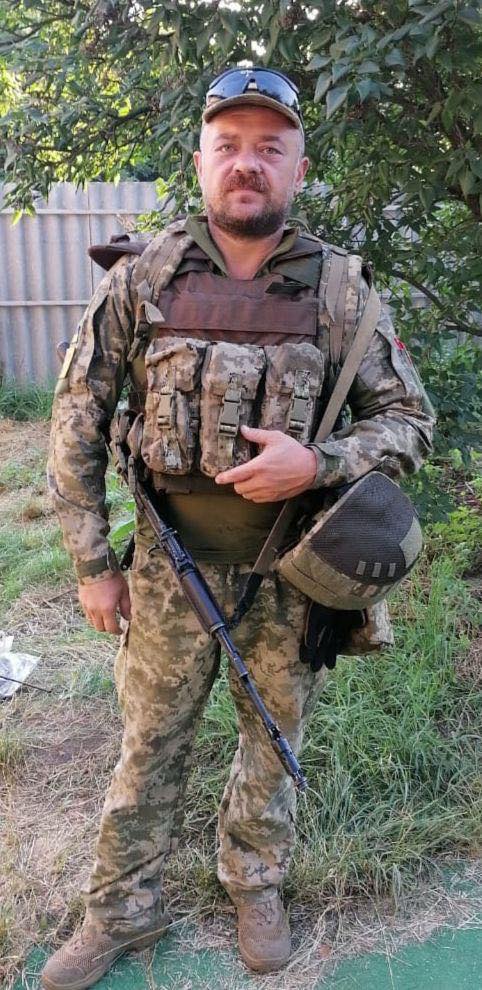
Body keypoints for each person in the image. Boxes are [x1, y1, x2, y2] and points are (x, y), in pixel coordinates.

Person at [42, 66, 435, 989]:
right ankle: (121, 910)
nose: (246, 164)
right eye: (228, 147)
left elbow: (409, 420)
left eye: (269, 148)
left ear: (299, 168)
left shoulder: (339, 288)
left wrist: (319, 463)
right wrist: (93, 564)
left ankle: (255, 885)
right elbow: (76, 421)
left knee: (272, 742)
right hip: (166, 571)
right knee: (149, 745)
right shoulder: (143, 276)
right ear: (200, 162)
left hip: (293, 571)